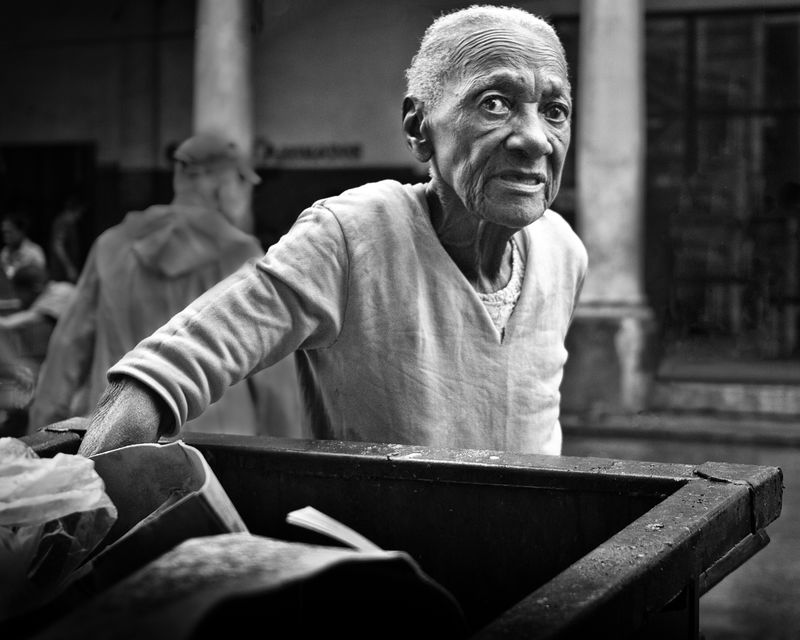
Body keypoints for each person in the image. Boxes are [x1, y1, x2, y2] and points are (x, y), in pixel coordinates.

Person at [72, 5, 588, 458]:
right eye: (495, 103)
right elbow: (167, 370)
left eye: (555, 111)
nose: (535, 139)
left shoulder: (563, 251)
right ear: (419, 128)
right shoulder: (353, 236)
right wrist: (89, 493)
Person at [29, 132, 306, 437]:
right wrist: (286, 449)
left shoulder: (111, 246)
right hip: (220, 446)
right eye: (242, 183)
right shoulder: (240, 255)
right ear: (223, 184)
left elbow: (67, 349)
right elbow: (275, 379)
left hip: (119, 438)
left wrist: (40, 434)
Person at [48, 195, 86, 283]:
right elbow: (58, 246)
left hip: (64, 271)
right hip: (60, 272)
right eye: (80, 212)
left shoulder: (69, 223)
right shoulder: (64, 222)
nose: (80, 216)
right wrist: (69, 267)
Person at [0, 212, 46, 281]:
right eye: (4, 232)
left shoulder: (34, 253)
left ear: (21, 231)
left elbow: (40, 279)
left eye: (9, 232)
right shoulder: (4, 252)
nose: (6, 236)